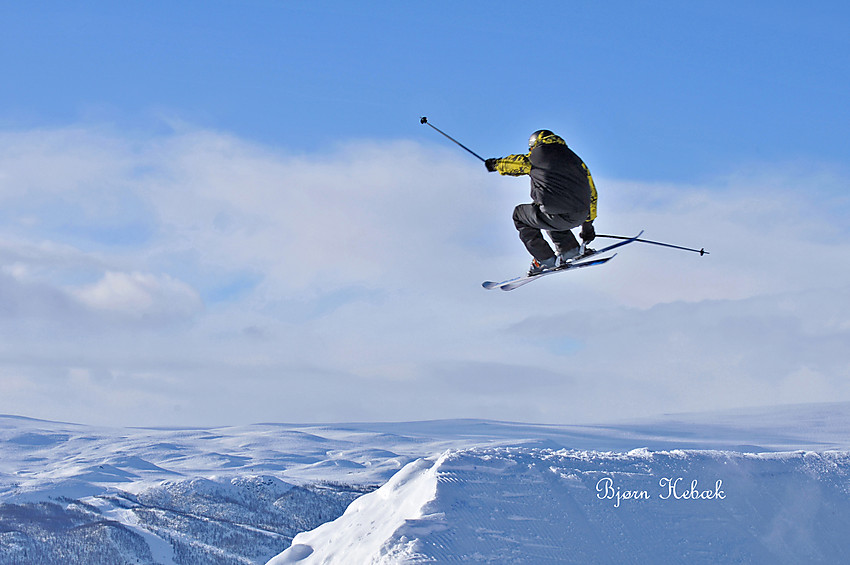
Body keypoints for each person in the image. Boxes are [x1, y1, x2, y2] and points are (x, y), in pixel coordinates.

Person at [485, 130, 598, 275]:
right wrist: (588, 225)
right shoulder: (576, 160)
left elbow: (516, 164)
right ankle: (570, 250)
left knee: (520, 215)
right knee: (544, 212)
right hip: (579, 214)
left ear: (534, 144)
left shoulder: (537, 156)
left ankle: (545, 260)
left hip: (557, 215)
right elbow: (592, 192)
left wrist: (495, 164)